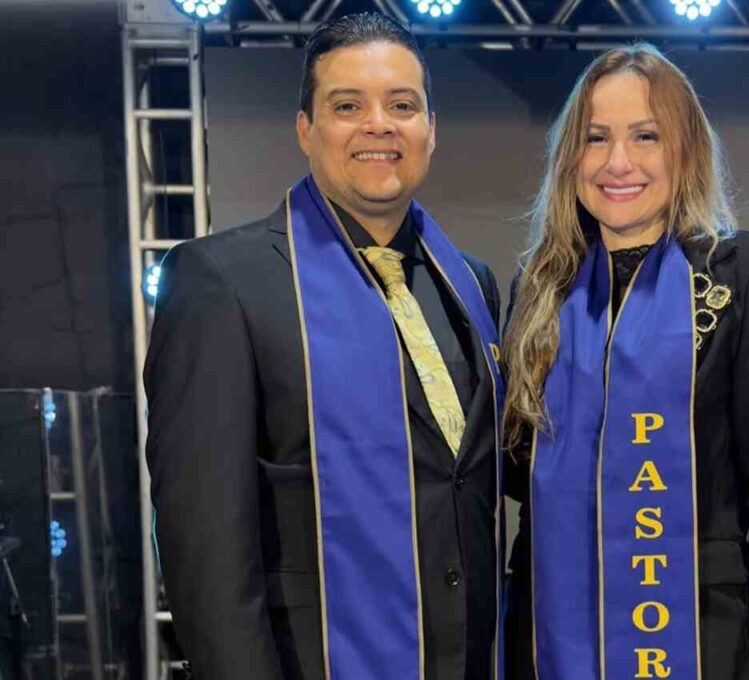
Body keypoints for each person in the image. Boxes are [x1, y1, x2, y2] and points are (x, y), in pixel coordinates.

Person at [145, 13, 505, 680]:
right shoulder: (221, 281)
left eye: (402, 105)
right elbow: (204, 543)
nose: (379, 125)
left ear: (431, 129)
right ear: (305, 129)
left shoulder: (470, 284)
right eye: (347, 106)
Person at [502, 44, 749, 680]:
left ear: (685, 149)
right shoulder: (539, 289)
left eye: (646, 136)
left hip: (701, 638)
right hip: (554, 637)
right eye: (596, 138)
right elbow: (516, 479)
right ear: (570, 157)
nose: (618, 162)